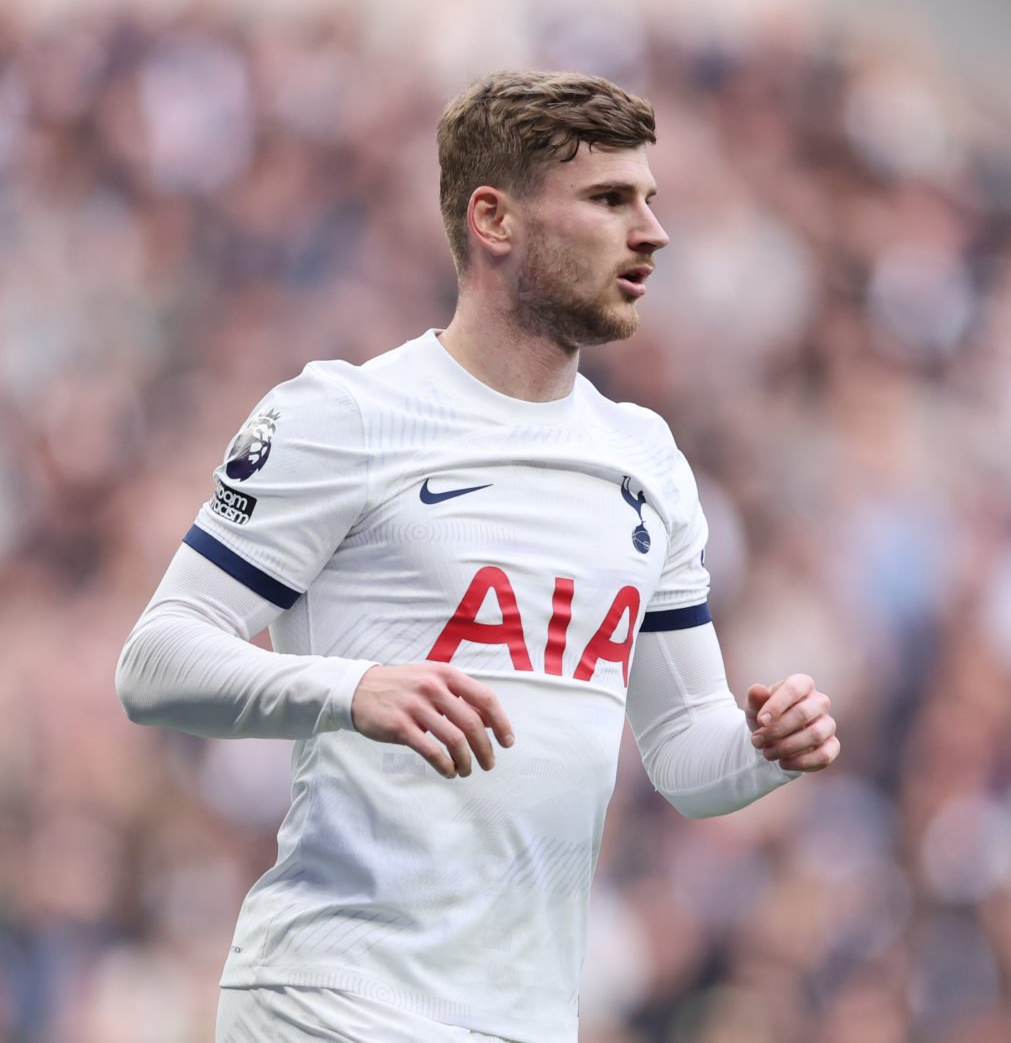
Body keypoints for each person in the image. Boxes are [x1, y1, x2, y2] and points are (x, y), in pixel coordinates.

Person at [115, 70, 840, 1043]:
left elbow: (685, 753)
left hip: (526, 1016)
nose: (651, 232)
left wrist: (762, 748)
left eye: (650, 201)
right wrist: (348, 688)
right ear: (493, 220)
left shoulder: (645, 460)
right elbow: (155, 660)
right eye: (609, 200)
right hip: (337, 998)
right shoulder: (348, 416)